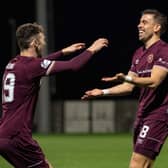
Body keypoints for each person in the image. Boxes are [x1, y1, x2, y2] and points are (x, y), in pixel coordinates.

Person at [0, 22, 108, 168]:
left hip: (4, 135)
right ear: (34, 43)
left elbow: (38, 64)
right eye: (42, 40)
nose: (43, 44)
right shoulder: (32, 66)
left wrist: (63, 52)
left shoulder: (13, 63)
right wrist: (92, 49)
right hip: (18, 137)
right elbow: (73, 65)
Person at [82, 9, 168, 168]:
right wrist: (102, 92)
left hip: (159, 114)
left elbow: (155, 81)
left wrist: (127, 77)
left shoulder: (163, 50)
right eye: (139, 22)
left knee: (136, 163)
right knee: (144, 164)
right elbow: (128, 86)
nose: (139, 25)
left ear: (156, 27)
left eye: (144, 22)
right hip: (143, 113)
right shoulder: (138, 53)